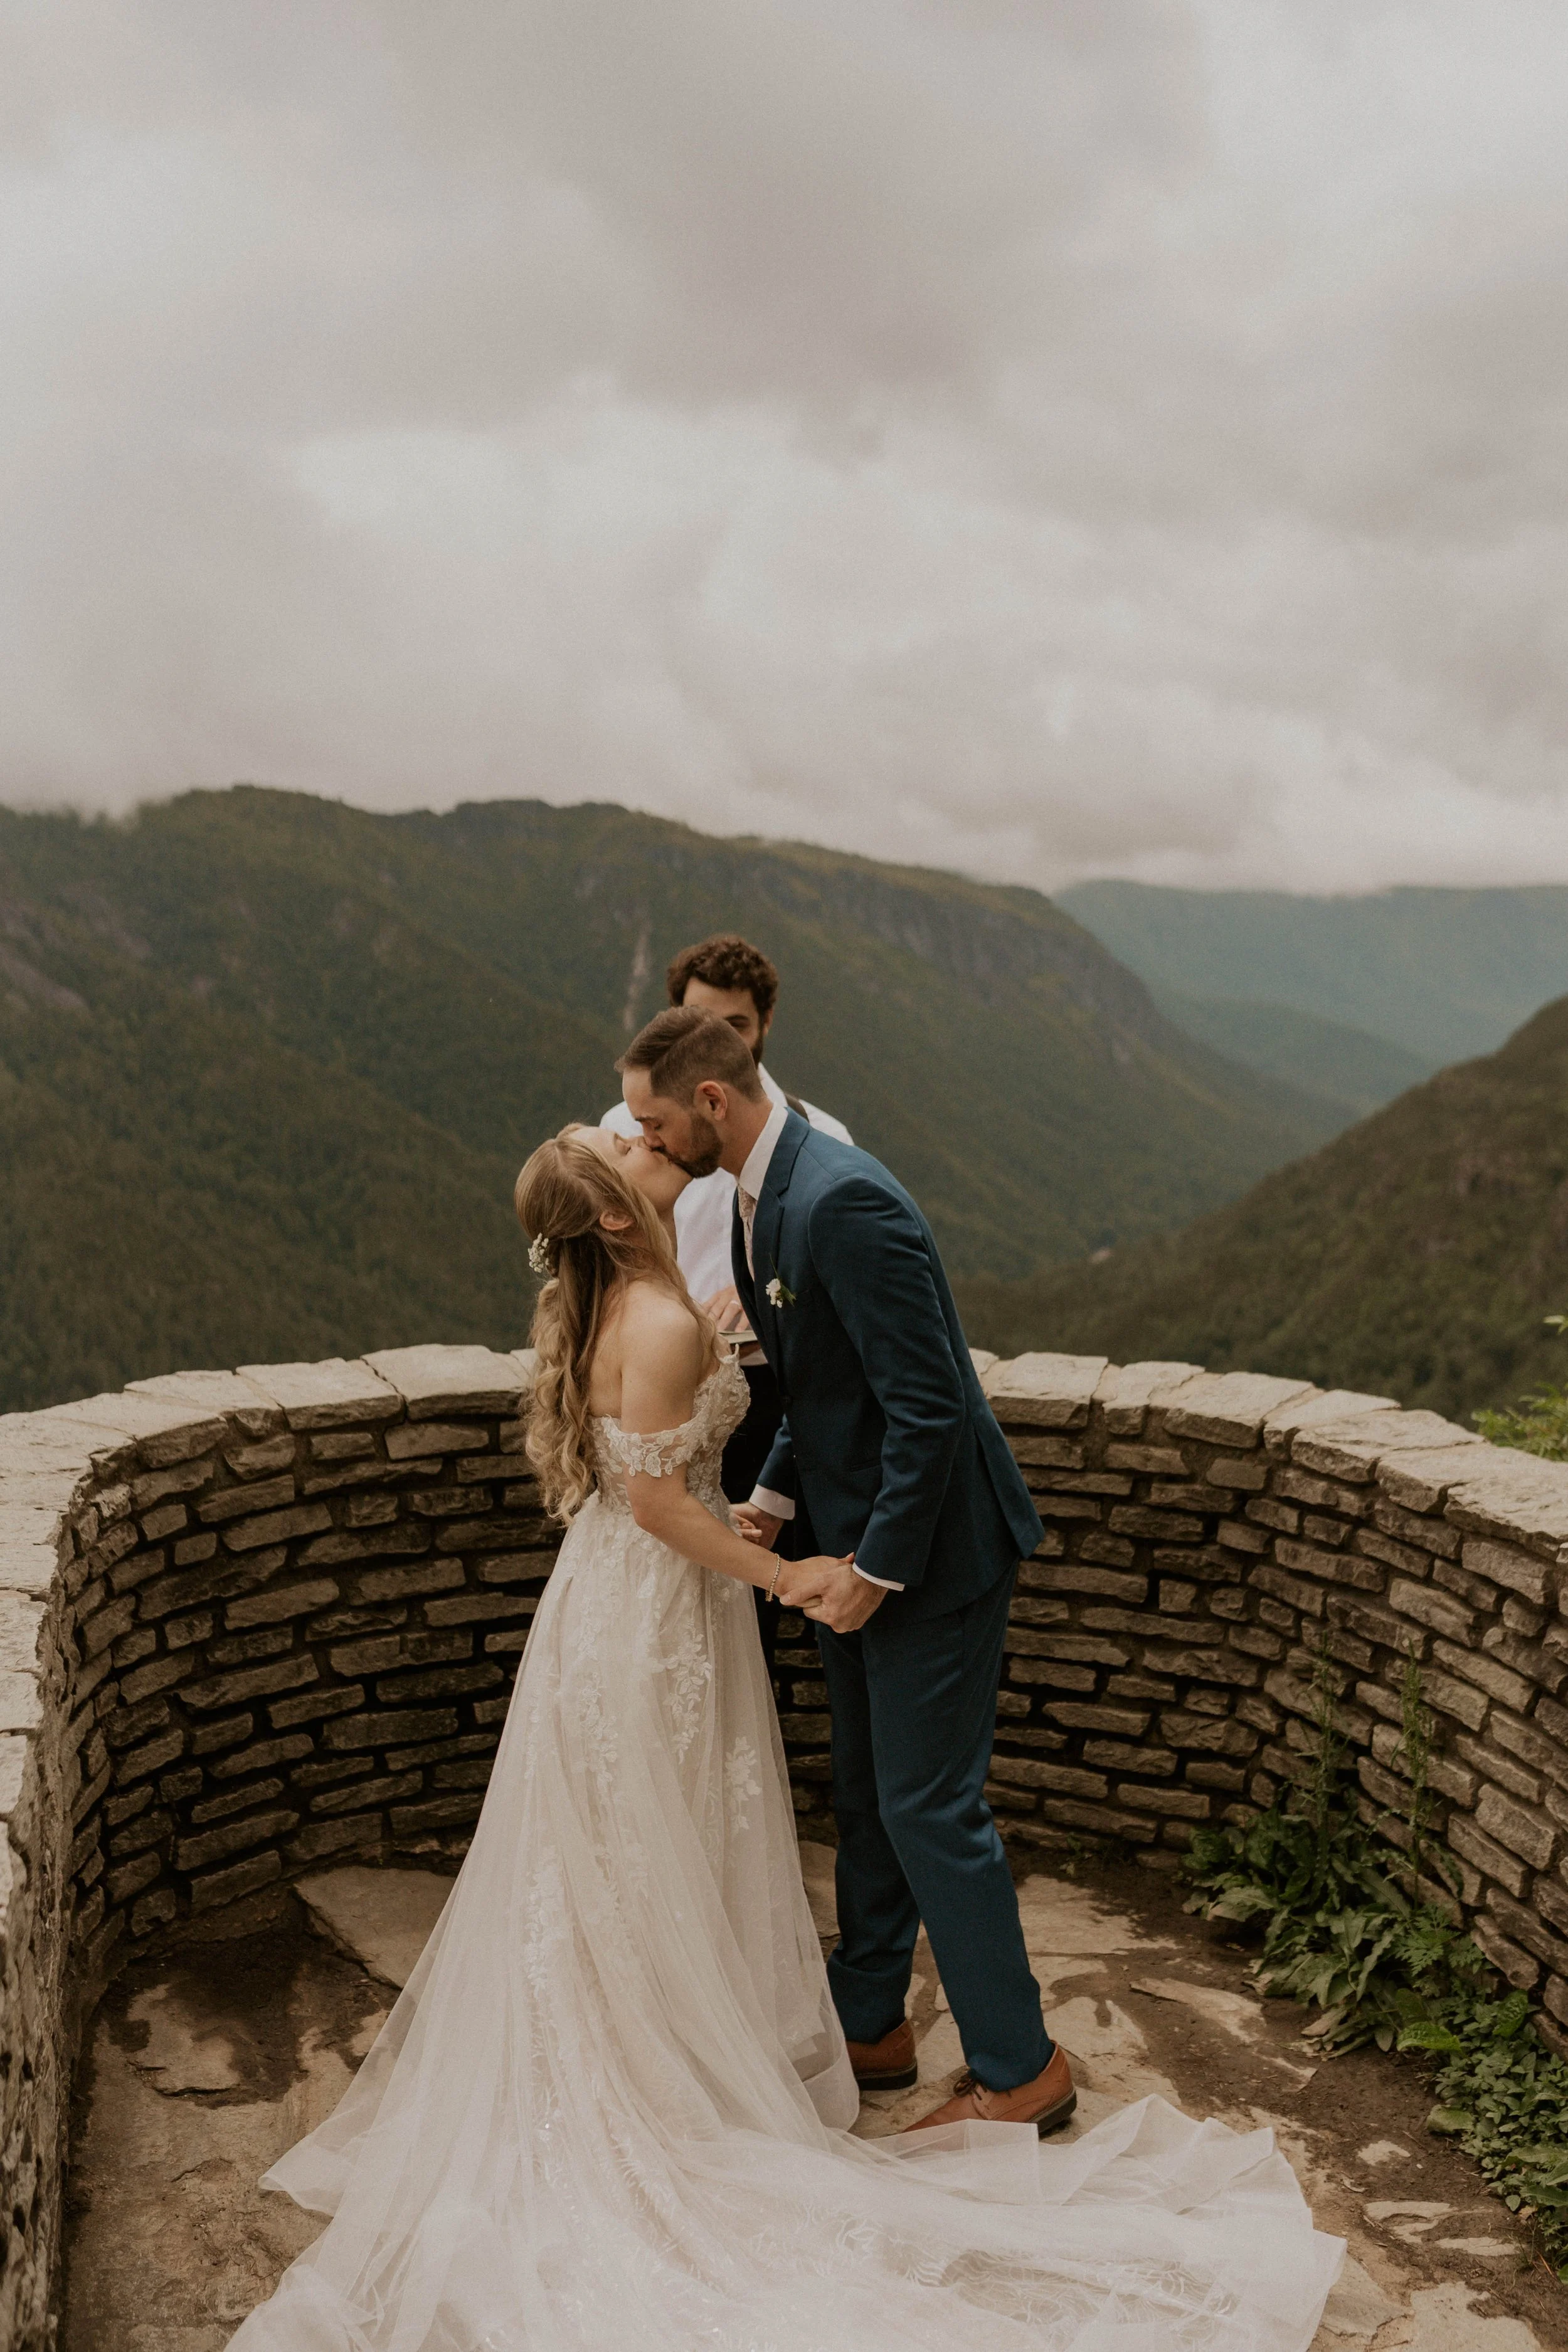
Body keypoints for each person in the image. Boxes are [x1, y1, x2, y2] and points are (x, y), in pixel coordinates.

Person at [226, 1111, 1343, 2352]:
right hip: (651, 1618)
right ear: (609, 1212)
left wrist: (746, 1485)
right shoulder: (650, 1320)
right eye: (639, 1155)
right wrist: (794, 1576)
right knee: (637, 1848)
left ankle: (668, 2051)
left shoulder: (651, 1294)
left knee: (653, 1849)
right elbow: (652, 1504)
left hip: (654, 1606)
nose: (660, 1151)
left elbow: (677, 1473)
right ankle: (648, 2090)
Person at [603, 933, 850, 1677]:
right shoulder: (625, 1136)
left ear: (763, 1025)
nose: (710, 1041)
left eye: (732, 1027)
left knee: (749, 1609)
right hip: (660, 1388)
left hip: (769, 1393)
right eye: (697, 1021)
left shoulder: (821, 1136)